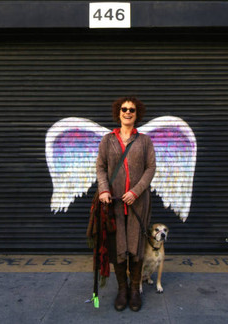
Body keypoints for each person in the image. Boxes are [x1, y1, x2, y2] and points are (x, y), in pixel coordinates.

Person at [96, 96, 156, 311]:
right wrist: (104, 190)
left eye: (132, 109)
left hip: (139, 203)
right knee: (118, 246)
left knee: (137, 246)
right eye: (124, 109)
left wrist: (136, 191)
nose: (128, 112)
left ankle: (134, 289)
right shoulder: (107, 140)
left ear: (137, 114)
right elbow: (101, 168)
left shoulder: (145, 141)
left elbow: (150, 168)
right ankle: (122, 289)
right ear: (118, 112)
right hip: (114, 204)